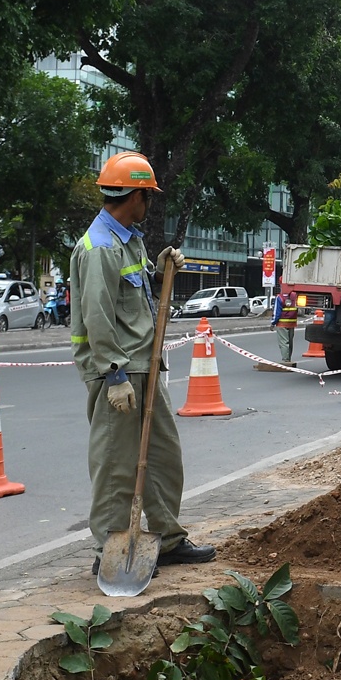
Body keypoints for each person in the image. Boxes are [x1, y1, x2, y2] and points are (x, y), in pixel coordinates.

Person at [71, 151, 215, 571]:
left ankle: (168, 539)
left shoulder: (128, 238)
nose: (149, 204)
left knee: (163, 457)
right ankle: (110, 551)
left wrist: (162, 268)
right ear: (134, 195)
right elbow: (98, 317)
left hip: (146, 365)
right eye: (147, 196)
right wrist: (113, 374)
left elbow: (135, 296)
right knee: (117, 467)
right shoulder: (98, 247)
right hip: (118, 371)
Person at [273, 286, 298, 366]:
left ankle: (285, 360)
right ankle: (289, 358)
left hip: (282, 323)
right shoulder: (295, 295)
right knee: (290, 342)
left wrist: (273, 323)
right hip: (292, 323)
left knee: (284, 342)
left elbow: (277, 312)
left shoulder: (279, 297)